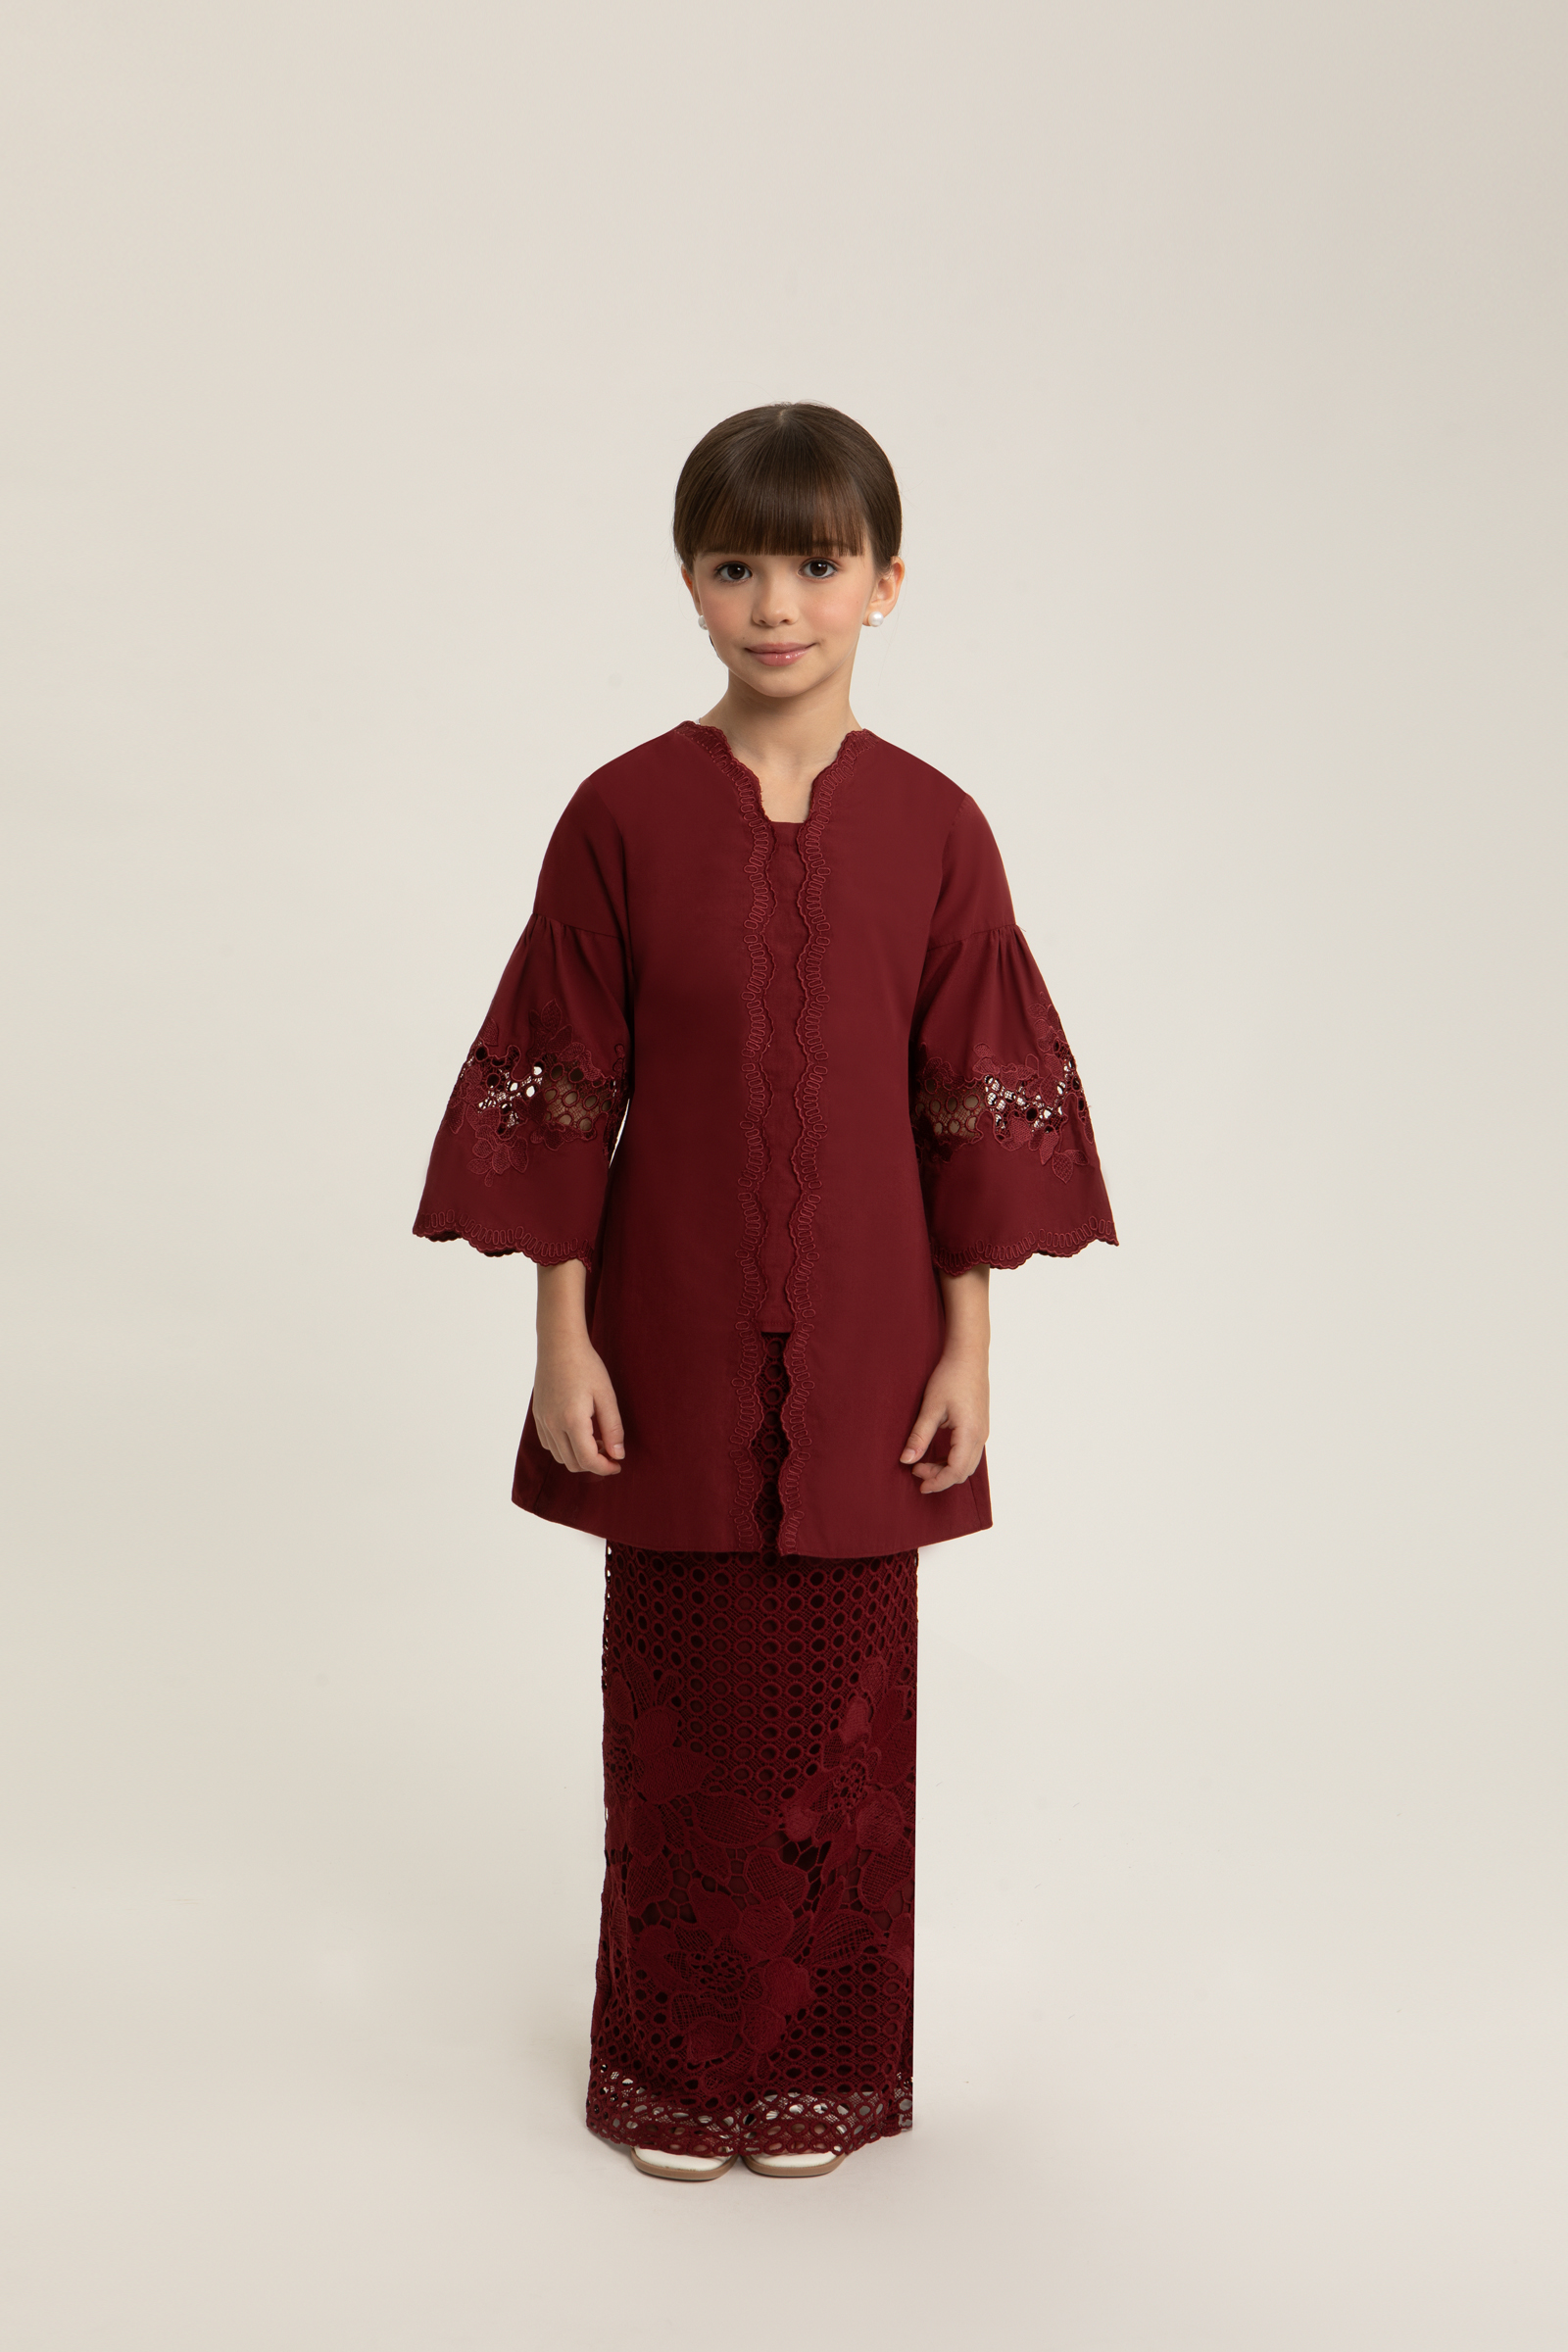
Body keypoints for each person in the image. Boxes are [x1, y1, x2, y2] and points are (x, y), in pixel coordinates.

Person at [414, 403, 1116, 2182]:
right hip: (663, 1331)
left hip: (875, 1340)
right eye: (736, 565)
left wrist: (970, 1347)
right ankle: (673, 2068)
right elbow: (564, 1084)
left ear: (888, 583)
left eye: (816, 563)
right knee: (672, 1705)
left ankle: (816, 2070)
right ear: (688, 584)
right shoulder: (620, 817)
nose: (777, 603)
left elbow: (972, 1101)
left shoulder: (940, 831)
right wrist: (561, 1332)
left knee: (846, 1715)